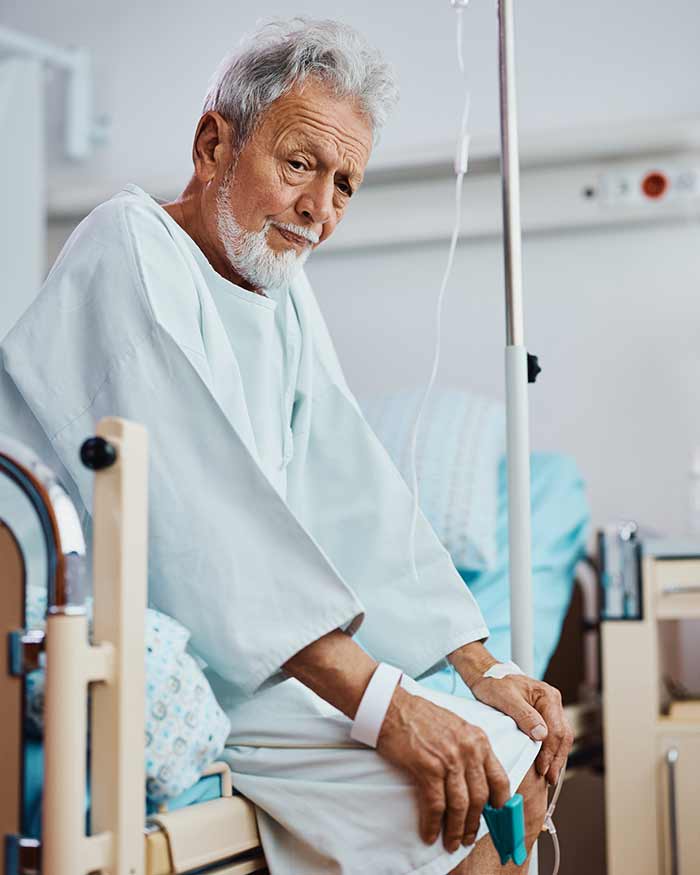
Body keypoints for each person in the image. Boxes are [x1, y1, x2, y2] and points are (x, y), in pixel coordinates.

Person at [0, 18, 572, 874]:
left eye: (345, 185)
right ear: (212, 144)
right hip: (122, 622)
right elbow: (202, 525)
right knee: (465, 795)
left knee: (510, 764)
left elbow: (354, 492)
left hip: (245, 637)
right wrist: (387, 705)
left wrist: (482, 666)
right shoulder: (130, 249)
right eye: (300, 164)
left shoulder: (278, 291)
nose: (319, 211)